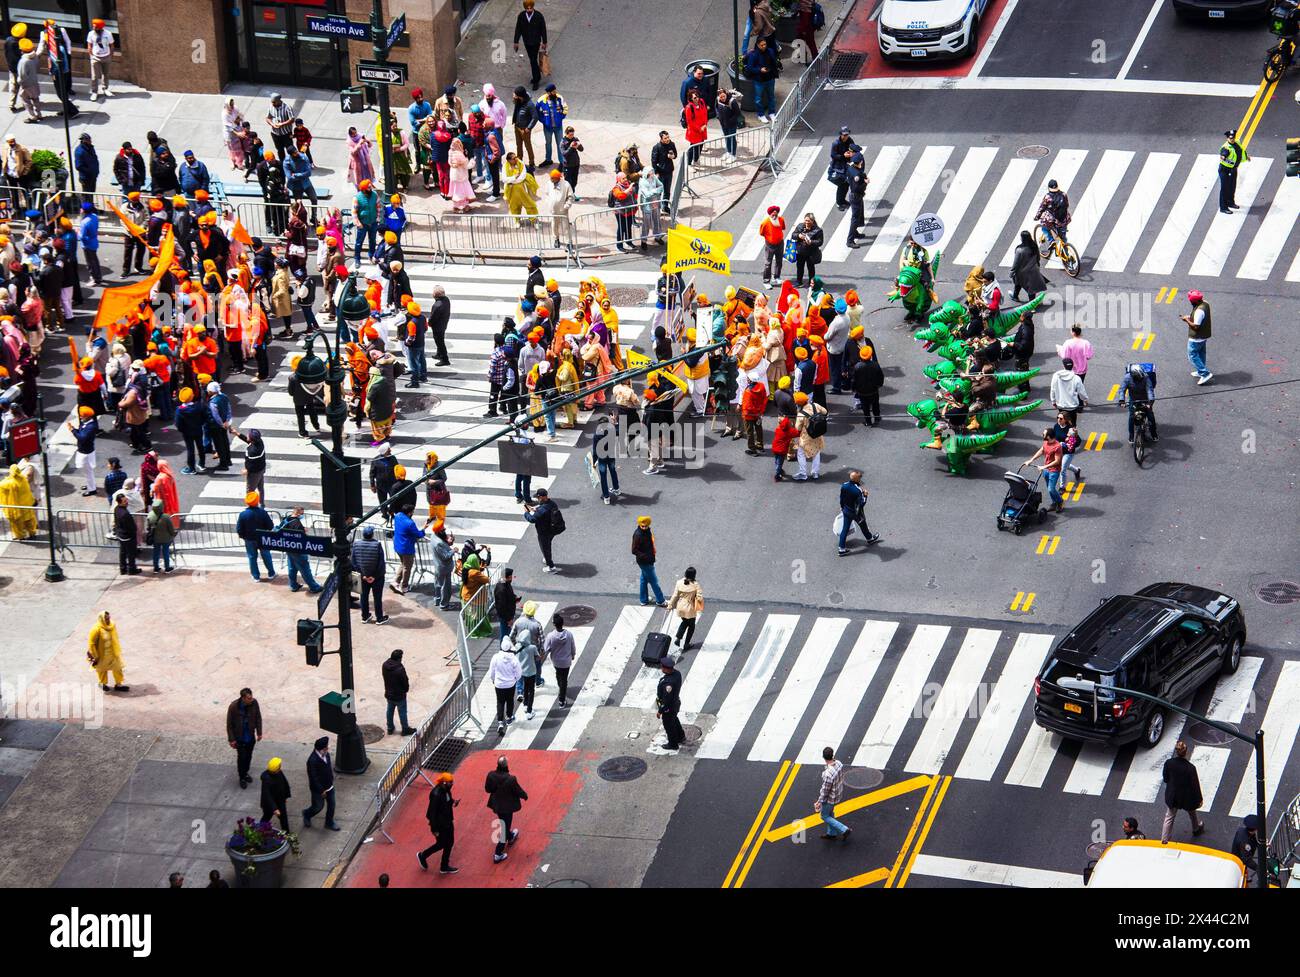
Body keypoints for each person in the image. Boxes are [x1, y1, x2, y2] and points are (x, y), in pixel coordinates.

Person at [1160, 739, 1205, 843]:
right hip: (1187, 796)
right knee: (1192, 813)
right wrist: (1199, 799)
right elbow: (1195, 786)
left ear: (1176, 751)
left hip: (1173, 795)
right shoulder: (1190, 768)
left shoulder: (1169, 763)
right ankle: (1196, 828)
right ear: (1186, 752)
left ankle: (1164, 840)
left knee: (1169, 817)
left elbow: (1165, 778)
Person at [485, 756, 528, 863]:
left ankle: (511, 835)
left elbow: (487, 789)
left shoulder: (491, 775)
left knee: (504, 823)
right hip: (507, 806)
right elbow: (518, 790)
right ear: (506, 766)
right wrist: (524, 795)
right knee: (504, 828)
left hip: (497, 805)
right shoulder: (511, 779)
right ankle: (498, 853)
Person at [417, 772, 460, 875]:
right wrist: (434, 829)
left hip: (448, 821)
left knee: (449, 842)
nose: (452, 784)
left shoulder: (446, 790)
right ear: (444, 783)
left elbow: (447, 800)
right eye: (450, 782)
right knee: (441, 844)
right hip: (440, 825)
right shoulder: (435, 794)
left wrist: (453, 802)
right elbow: (432, 813)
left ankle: (444, 865)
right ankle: (423, 855)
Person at [279, 505, 322, 593]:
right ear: (298, 513)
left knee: (292, 568)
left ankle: (293, 585)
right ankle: (314, 587)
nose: (302, 515)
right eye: (302, 514)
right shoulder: (297, 523)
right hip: (298, 550)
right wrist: (304, 532)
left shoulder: (286, 519)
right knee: (305, 569)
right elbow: (301, 538)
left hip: (288, 547)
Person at [352, 525, 389, 624]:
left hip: (363, 577)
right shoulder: (377, 545)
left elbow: (354, 562)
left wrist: (363, 576)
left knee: (363, 597)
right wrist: (374, 576)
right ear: (372, 535)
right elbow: (381, 563)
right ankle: (379, 618)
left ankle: (365, 616)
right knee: (377, 598)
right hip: (376, 578)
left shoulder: (356, 545)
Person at [838, 470, 881, 556]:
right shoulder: (858, 491)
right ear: (856, 480)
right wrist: (865, 495)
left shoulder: (844, 485)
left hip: (846, 510)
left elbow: (841, 498)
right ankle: (870, 538)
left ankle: (841, 549)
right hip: (856, 513)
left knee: (845, 529)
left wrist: (842, 507)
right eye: (859, 477)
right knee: (863, 525)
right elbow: (862, 503)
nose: (860, 478)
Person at [236, 490, 276, 581]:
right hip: (262, 538)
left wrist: (244, 536)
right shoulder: (262, 512)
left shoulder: (243, 514)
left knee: (252, 557)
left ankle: (256, 576)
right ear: (257, 501)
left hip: (249, 539)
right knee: (266, 555)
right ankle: (271, 573)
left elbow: (239, 529)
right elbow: (270, 526)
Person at [301, 737, 339, 832]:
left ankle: (329, 822)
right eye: (326, 748)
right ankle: (307, 814)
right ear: (321, 749)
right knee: (318, 807)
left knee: (332, 805)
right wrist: (321, 790)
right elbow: (313, 778)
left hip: (329, 786)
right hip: (319, 790)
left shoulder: (326, 755)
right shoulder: (312, 761)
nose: (327, 749)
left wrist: (331, 779)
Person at [226, 688, 262, 789]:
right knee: (242, 758)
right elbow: (229, 725)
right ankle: (242, 777)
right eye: (249, 698)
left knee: (249, 756)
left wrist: (259, 732)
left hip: (250, 736)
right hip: (239, 738)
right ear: (243, 698)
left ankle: (245, 772)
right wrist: (231, 739)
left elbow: (258, 717)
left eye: (251, 697)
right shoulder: (233, 707)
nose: (251, 700)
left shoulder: (254, 703)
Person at [1025, 429, 1066, 513]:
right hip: (1046, 470)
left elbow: (1057, 461)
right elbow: (1041, 451)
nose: (1042, 435)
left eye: (1043, 434)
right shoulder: (1046, 443)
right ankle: (1054, 503)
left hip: (1054, 471)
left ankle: (1060, 501)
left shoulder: (1057, 446)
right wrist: (1031, 460)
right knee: (1049, 488)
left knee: (1051, 489)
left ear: (1048, 436)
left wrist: (1044, 467)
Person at [814, 746, 851, 840]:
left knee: (824, 816)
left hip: (830, 798)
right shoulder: (839, 763)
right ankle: (831, 833)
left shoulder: (828, 774)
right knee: (830, 813)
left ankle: (844, 829)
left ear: (823, 757)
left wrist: (819, 801)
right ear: (832, 755)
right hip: (838, 794)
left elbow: (825, 790)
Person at [87, 610, 128, 692]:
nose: (108, 620)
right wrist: (95, 656)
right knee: (102, 670)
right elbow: (91, 643)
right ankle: (102, 683)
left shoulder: (112, 625)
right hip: (102, 655)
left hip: (113, 653)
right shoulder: (96, 629)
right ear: (101, 619)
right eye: (106, 618)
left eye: (109, 618)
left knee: (118, 668)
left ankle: (118, 684)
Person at [1118, 362, 1160, 444]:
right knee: (1131, 417)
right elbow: (1122, 390)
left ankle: (1153, 433)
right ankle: (1131, 435)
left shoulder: (1146, 377)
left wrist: (1150, 402)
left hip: (1145, 400)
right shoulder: (1127, 378)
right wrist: (1121, 400)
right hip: (1133, 400)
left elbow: (1149, 390)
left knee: (1150, 416)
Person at [631, 515, 668, 606]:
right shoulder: (638, 535)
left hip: (648, 560)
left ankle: (643, 600)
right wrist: (646, 557)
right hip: (645, 562)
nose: (644, 527)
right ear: (639, 525)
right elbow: (634, 550)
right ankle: (660, 600)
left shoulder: (647, 531)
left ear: (648, 524)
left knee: (643, 580)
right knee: (654, 581)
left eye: (645, 526)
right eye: (642, 526)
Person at [523, 487, 561, 572]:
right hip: (552, 529)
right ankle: (547, 558)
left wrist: (526, 513)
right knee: (548, 545)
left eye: (538, 497)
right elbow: (545, 511)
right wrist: (536, 509)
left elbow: (532, 519)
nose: (538, 499)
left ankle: (550, 566)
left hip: (543, 532)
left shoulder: (542, 510)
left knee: (545, 547)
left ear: (542, 497)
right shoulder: (552, 503)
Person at [542, 612, 575, 708]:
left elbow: (546, 649)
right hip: (566, 661)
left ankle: (561, 689)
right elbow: (572, 646)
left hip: (556, 661)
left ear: (554, 624)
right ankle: (562, 700)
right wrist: (573, 654)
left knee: (559, 675)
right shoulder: (569, 634)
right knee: (564, 679)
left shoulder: (551, 636)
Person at [490, 637, 522, 735]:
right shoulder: (514, 659)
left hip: (499, 685)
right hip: (510, 684)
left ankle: (500, 722)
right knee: (509, 700)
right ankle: (509, 717)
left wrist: (493, 679)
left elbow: (492, 671)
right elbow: (519, 673)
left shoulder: (495, 657)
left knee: (500, 702)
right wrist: (515, 679)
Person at [513, 0, 549, 91]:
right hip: (527, 42)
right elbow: (518, 29)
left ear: (533, 7)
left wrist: (544, 42)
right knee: (532, 59)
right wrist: (516, 41)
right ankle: (536, 76)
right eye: (527, 8)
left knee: (533, 60)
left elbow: (543, 29)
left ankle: (536, 80)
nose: (529, 10)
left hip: (535, 42)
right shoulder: (521, 16)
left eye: (530, 8)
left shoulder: (538, 16)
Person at [381, 648, 417, 737]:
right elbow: (405, 681)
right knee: (402, 712)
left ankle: (390, 728)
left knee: (389, 710)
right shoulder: (399, 669)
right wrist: (406, 689)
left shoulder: (385, 665)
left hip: (389, 693)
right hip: (399, 695)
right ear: (399, 658)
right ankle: (405, 729)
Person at [1180, 289, 1213, 385]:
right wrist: (1190, 318)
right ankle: (1200, 371)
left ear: (1194, 301)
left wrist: (1186, 320)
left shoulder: (1199, 311)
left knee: (1193, 355)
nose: (1190, 302)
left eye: (1191, 301)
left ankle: (1204, 373)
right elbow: (1200, 319)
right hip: (1203, 336)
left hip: (1196, 338)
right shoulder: (1205, 303)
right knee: (1201, 353)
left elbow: (1195, 326)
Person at [652, 655, 684, 755]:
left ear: (666, 668)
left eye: (662, 667)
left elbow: (667, 701)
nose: (661, 668)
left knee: (669, 725)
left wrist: (660, 711)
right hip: (675, 703)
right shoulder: (677, 674)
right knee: (674, 719)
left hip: (669, 707)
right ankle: (680, 736)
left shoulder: (668, 684)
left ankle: (673, 743)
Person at [392, 505, 426, 594]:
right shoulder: (410, 523)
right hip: (406, 549)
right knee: (407, 567)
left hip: (398, 545)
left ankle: (396, 581)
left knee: (403, 564)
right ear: (410, 512)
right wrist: (423, 530)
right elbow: (418, 534)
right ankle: (404, 586)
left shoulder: (398, 516)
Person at [793, 391, 827, 481]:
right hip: (818, 434)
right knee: (816, 452)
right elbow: (825, 411)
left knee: (800, 453)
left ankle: (803, 473)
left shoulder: (801, 414)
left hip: (806, 437)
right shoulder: (815, 405)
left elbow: (798, 427)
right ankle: (815, 473)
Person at [745, 36, 780, 123]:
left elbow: (774, 61)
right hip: (759, 80)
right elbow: (749, 68)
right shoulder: (754, 55)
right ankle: (761, 115)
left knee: (771, 96)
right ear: (758, 45)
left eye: (765, 44)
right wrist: (759, 70)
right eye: (762, 45)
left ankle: (772, 113)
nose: (764, 46)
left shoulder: (770, 51)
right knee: (758, 99)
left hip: (770, 78)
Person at [668, 568, 703, 650]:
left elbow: (675, 595)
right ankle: (686, 644)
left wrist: (670, 605)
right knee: (691, 626)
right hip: (689, 608)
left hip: (680, 607)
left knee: (685, 621)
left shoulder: (679, 582)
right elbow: (700, 598)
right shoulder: (695, 585)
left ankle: (678, 638)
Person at [1011, 229, 1048, 301]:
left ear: (1022, 238)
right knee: (1032, 286)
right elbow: (1038, 257)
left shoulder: (1019, 250)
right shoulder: (1034, 246)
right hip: (1033, 270)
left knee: (1019, 282)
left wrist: (1012, 272)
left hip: (1022, 271)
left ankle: (1016, 297)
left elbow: (1016, 263)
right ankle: (1031, 301)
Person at [1035, 178, 1071, 247]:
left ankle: (1051, 240)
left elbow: (1042, 208)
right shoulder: (1064, 194)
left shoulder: (1048, 197)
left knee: (1044, 227)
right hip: (1064, 219)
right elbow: (1067, 205)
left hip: (1054, 220)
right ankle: (1067, 254)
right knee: (1063, 238)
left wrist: (1037, 216)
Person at [85, 17, 114, 100]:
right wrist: (91, 55)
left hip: (106, 56)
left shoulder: (108, 34)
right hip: (95, 57)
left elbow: (111, 45)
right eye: (93, 26)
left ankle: (105, 89)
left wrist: (111, 55)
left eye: (95, 27)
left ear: (100, 27)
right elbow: (89, 45)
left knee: (106, 74)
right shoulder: (91, 33)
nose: (94, 28)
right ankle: (94, 92)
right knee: (94, 76)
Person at [1218, 127, 1246, 214]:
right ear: (1227, 138)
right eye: (1230, 138)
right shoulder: (1226, 147)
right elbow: (1224, 153)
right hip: (1225, 170)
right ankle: (1223, 207)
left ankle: (1230, 202)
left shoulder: (1237, 142)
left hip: (1233, 169)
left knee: (1232, 186)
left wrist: (1246, 157)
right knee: (1224, 188)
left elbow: (1240, 151)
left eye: (1233, 137)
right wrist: (1223, 156)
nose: (1232, 139)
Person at [259, 757, 292, 831]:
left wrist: (286, 795)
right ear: (275, 769)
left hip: (280, 800)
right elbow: (267, 795)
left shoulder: (279, 772)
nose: (281, 766)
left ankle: (286, 833)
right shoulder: (267, 780)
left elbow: (284, 782)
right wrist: (274, 808)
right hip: (270, 804)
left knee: (283, 818)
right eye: (279, 765)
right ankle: (259, 829)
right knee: (267, 816)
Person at [112, 491, 140, 575]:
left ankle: (123, 569)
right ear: (120, 502)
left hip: (121, 535)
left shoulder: (117, 509)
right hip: (128, 536)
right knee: (131, 553)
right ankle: (132, 569)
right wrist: (134, 533)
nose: (127, 502)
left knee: (123, 552)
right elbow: (131, 527)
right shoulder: (125, 514)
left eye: (126, 500)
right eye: (124, 501)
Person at [844, 154, 868, 248]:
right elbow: (857, 188)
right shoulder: (857, 174)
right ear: (860, 162)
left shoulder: (851, 168)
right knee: (855, 219)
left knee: (859, 214)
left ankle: (855, 232)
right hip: (856, 196)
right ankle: (850, 240)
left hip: (855, 196)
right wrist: (865, 183)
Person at [146, 498, 176, 573]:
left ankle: (156, 568)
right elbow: (171, 529)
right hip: (166, 539)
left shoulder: (150, 515)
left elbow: (148, 527)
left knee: (156, 553)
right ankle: (167, 567)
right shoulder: (166, 517)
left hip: (155, 539)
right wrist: (173, 534)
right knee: (166, 553)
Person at [759, 205, 786, 287]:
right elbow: (761, 233)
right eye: (772, 215)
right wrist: (769, 238)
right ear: (769, 214)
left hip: (780, 243)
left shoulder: (781, 220)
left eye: (776, 214)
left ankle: (777, 277)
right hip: (770, 245)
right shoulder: (765, 223)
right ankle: (766, 281)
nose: (774, 216)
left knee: (779, 261)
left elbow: (783, 228)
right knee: (768, 263)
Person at [793, 213, 823, 286]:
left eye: (808, 221)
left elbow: (820, 242)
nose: (807, 222)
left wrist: (811, 242)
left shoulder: (818, 230)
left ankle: (811, 282)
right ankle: (799, 281)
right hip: (800, 252)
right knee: (799, 267)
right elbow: (793, 235)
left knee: (811, 268)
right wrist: (798, 235)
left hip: (811, 253)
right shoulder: (800, 226)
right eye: (806, 220)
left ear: (812, 221)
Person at [1231, 815, 1261, 884]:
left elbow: (1253, 841)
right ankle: (1244, 879)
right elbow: (1246, 859)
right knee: (1241, 872)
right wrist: (1257, 868)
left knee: (1244, 869)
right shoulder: (1245, 843)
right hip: (1239, 860)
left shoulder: (1242, 830)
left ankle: (1245, 876)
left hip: (1238, 855)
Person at [682, 88, 708, 166]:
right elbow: (690, 122)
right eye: (695, 98)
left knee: (700, 146)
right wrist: (699, 128)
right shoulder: (689, 108)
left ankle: (696, 160)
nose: (697, 99)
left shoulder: (702, 102)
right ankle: (689, 164)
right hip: (694, 131)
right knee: (693, 148)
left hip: (702, 129)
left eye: (697, 96)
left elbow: (705, 114)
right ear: (691, 99)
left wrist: (705, 124)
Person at [493, 566, 520, 640]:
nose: (511, 579)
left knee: (508, 634)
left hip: (508, 615)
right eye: (510, 577)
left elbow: (508, 595)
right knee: (505, 636)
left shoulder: (506, 584)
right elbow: (502, 607)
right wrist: (508, 619)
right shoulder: (501, 589)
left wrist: (514, 598)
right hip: (505, 617)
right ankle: (504, 648)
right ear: (506, 577)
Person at [651, 130, 677, 203]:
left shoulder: (672, 144)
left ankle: (665, 207)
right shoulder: (656, 147)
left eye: (668, 137)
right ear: (661, 139)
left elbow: (675, 155)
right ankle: (657, 208)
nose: (667, 139)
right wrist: (656, 172)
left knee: (667, 191)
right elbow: (653, 161)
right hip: (660, 173)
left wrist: (673, 156)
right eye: (665, 138)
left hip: (669, 171)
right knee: (658, 191)